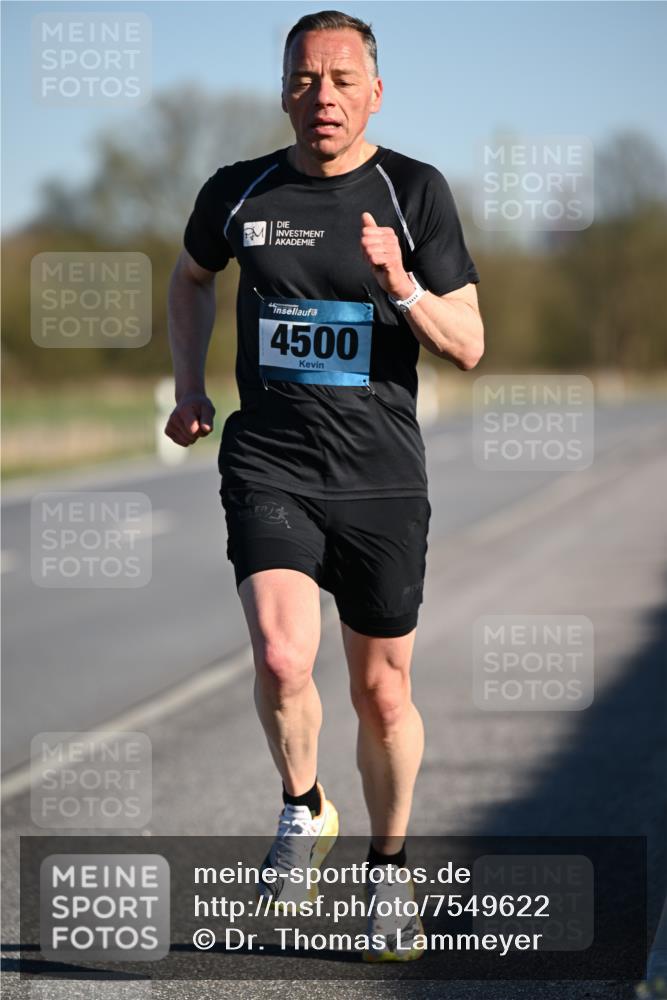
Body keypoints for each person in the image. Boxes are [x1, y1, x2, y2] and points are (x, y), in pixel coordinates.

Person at [166, 9, 483, 962]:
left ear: (375, 92)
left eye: (343, 80)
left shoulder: (413, 191)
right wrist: (188, 386)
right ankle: (304, 808)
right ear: (282, 91)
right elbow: (190, 279)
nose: (324, 97)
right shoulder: (237, 191)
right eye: (305, 79)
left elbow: (469, 345)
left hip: (381, 476)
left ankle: (388, 874)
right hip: (270, 462)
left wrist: (402, 285)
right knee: (278, 656)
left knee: (383, 695)